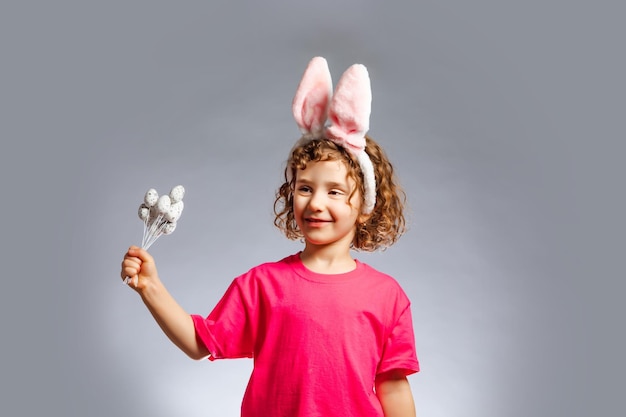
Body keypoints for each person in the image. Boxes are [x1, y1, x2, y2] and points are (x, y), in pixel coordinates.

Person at [121, 56, 420, 417]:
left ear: (366, 206)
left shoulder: (388, 297)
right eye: (305, 188)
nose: (316, 203)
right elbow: (200, 343)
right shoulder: (262, 285)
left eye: (335, 192)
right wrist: (150, 286)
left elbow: (393, 387)